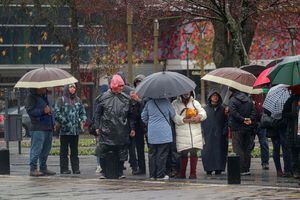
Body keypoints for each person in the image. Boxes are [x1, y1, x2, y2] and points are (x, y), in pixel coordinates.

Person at [95, 74, 135, 179]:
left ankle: (120, 171)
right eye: (120, 86)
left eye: (123, 86)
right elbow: (98, 114)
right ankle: (104, 171)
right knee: (103, 150)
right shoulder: (104, 97)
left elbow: (130, 115)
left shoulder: (126, 98)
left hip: (121, 130)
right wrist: (97, 127)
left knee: (121, 151)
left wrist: (132, 128)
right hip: (106, 130)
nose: (122, 88)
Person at [172, 91, 207, 179]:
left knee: (194, 152)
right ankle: (182, 173)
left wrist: (199, 117)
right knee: (183, 152)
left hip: (194, 132)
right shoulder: (175, 103)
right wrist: (184, 120)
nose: (186, 93)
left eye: (188, 91)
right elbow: (174, 117)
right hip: (182, 132)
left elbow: (204, 113)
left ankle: (193, 173)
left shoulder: (195, 103)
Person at [54, 83, 87, 174]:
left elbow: (82, 112)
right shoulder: (61, 100)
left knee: (74, 151)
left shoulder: (78, 100)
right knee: (64, 151)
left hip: (75, 131)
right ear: (67, 89)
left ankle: (75, 168)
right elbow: (57, 112)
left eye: (74, 87)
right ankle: (64, 169)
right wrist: (64, 121)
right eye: (71, 87)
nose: (73, 89)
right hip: (65, 131)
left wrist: (83, 120)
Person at [141, 97, 176, 180]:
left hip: (152, 132)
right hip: (164, 133)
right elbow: (173, 114)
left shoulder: (149, 103)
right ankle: (160, 174)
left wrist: (150, 123)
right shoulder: (167, 102)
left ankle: (152, 175)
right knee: (162, 154)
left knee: (152, 154)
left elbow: (143, 117)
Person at [25, 88, 56, 176]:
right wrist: (43, 111)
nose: (45, 88)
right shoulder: (31, 97)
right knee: (36, 148)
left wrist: (53, 122)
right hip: (38, 127)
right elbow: (30, 111)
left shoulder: (45, 97)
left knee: (46, 148)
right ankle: (33, 168)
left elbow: (50, 111)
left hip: (48, 126)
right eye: (43, 87)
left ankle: (43, 167)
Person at [228, 88, 256, 175]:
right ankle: (247, 168)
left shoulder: (232, 100)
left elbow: (233, 112)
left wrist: (242, 119)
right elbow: (254, 111)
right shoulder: (249, 99)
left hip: (237, 128)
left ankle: (241, 169)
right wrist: (249, 119)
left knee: (237, 148)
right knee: (247, 148)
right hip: (248, 127)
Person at [201, 90, 228, 175]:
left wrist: (225, 130)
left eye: (216, 96)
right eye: (213, 96)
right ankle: (208, 168)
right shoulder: (204, 109)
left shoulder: (223, 109)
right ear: (210, 97)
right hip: (208, 134)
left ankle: (219, 168)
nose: (215, 97)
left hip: (220, 135)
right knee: (207, 151)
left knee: (220, 152)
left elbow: (227, 121)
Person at [129, 74, 147, 175]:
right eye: (137, 83)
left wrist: (138, 101)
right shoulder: (134, 95)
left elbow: (147, 107)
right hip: (138, 125)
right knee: (139, 148)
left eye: (140, 82)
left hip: (148, 124)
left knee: (152, 148)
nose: (139, 84)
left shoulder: (149, 94)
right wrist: (132, 127)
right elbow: (132, 113)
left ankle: (155, 168)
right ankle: (141, 168)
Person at [283, 86, 300, 180]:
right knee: (294, 151)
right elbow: (284, 113)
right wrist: (293, 115)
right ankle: (296, 170)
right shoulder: (291, 100)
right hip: (293, 130)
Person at [251, 94, 269, 170]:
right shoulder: (249, 94)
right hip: (252, 122)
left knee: (264, 143)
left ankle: (265, 162)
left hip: (262, 122)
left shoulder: (265, 93)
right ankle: (246, 162)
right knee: (250, 143)